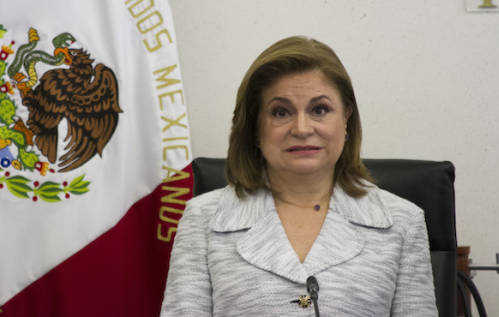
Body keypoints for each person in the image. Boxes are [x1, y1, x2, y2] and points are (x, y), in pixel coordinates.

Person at [160, 36, 437, 316]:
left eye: (320, 110)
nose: (302, 128)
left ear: (346, 120)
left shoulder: (402, 222)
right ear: (256, 127)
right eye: (281, 112)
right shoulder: (203, 219)